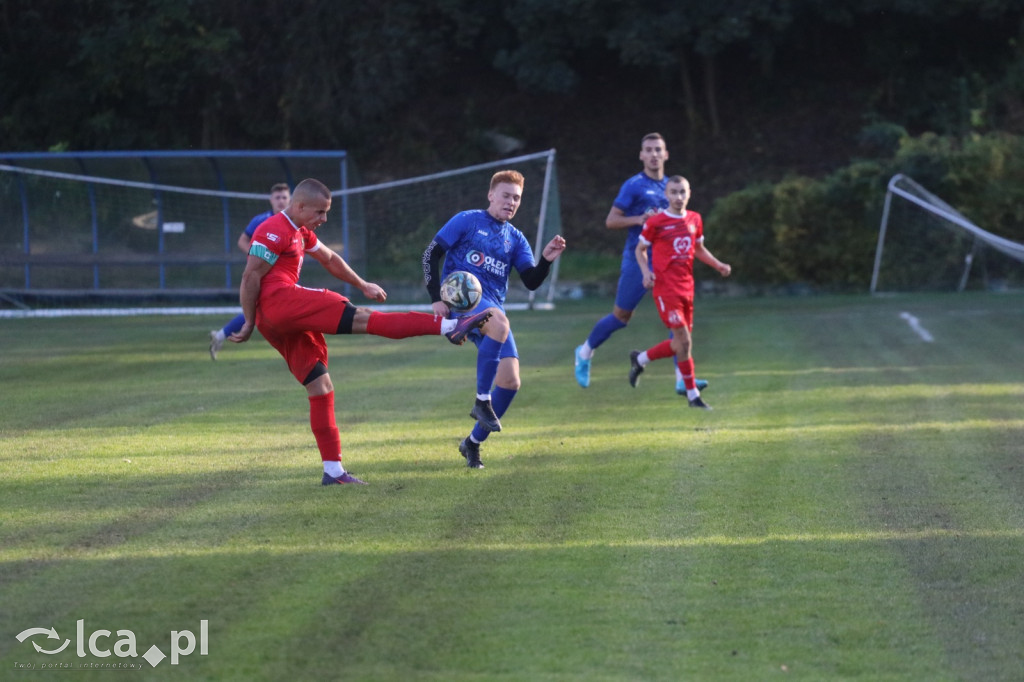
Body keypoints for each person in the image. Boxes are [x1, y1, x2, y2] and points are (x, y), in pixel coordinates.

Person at [231, 178, 491, 485]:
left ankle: (333, 472)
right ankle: (449, 325)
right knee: (366, 319)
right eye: (320, 212)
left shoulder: (299, 229)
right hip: (281, 303)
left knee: (321, 388)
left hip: (275, 321)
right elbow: (250, 278)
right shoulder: (274, 229)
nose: (324, 219)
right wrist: (247, 321)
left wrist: (362, 284)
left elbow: (329, 258)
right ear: (300, 206)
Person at [423, 169, 566, 469]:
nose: (511, 202)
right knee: (500, 322)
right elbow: (430, 255)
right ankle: (481, 400)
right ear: (491, 195)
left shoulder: (515, 239)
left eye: (516, 198)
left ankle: (472, 444)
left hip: (490, 310)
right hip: (462, 299)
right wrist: (436, 298)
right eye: (506, 195)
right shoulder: (467, 220)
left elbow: (531, 281)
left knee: (511, 382)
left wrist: (546, 261)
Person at [572, 133, 707, 394]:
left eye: (658, 149)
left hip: (668, 264)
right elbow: (611, 220)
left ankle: (682, 379)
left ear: (666, 154)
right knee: (621, 317)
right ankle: (585, 352)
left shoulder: (673, 187)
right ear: (641, 155)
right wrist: (639, 219)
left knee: (677, 322)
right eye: (649, 150)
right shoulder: (634, 185)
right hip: (639, 258)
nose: (654, 154)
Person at [627, 175, 731, 409]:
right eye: (673, 192)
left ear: (689, 193)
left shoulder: (695, 219)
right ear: (666, 195)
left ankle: (641, 359)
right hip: (666, 290)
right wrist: (646, 272)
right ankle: (693, 396)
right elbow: (640, 249)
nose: (678, 197)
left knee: (681, 345)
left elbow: (699, 249)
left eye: (682, 192)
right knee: (683, 340)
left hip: (687, 289)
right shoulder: (656, 222)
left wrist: (719, 265)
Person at [209, 182, 292, 359]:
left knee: (262, 309)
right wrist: (258, 257)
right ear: (271, 200)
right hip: (264, 275)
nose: (281, 201)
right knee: (259, 309)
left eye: (284, 197)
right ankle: (221, 335)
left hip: (284, 275)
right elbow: (242, 241)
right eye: (277, 197)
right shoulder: (261, 220)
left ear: (290, 199)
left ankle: (220, 335)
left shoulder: (293, 221)